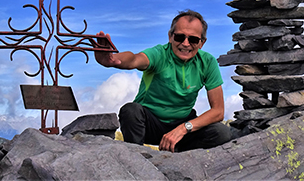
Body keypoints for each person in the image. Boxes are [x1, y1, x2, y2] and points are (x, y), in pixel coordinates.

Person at [94, 10, 231, 152]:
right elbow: (135, 59)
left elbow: (218, 111)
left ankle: (180, 153)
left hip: (182, 128)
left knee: (222, 133)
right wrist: (112, 60)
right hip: (149, 126)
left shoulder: (208, 62)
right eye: (179, 37)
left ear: (202, 43)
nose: (185, 44)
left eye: (193, 40)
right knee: (131, 111)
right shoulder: (159, 54)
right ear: (170, 36)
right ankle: (136, 156)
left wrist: (183, 129)